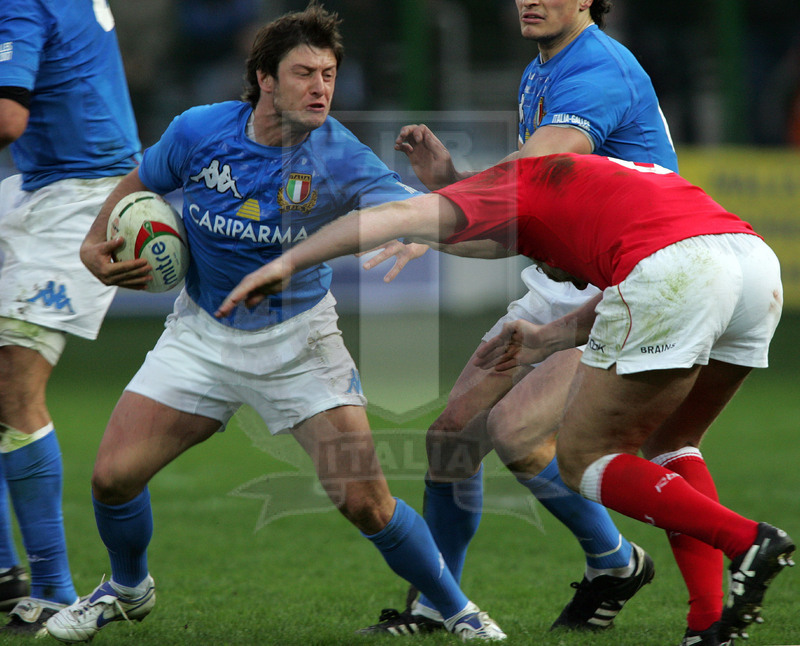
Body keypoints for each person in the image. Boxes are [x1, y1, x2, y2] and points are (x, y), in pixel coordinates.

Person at [43, 4, 505, 643]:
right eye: (304, 73)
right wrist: (96, 242)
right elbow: (141, 180)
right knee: (112, 478)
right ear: (264, 77)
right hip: (201, 334)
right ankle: (127, 587)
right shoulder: (198, 131)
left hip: (299, 346)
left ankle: (457, 609)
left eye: (330, 73)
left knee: (365, 503)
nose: (321, 88)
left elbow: (432, 216)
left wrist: (434, 210)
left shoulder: (338, 154)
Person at [215, 152, 796, 646]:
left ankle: (748, 540)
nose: (547, 269)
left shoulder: (516, 185)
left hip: (678, 270)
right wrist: (544, 339)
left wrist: (289, 261)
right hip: (750, 262)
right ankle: (708, 622)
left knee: (584, 457)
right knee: (674, 440)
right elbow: (645, 270)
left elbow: (394, 215)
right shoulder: (597, 181)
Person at [356, 0, 680, 636]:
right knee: (452, 439)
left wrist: (443, 208)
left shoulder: (598, 71)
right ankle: (437, 605)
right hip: (567, 284)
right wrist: (449, 193)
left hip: (630, 289)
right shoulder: (541, 71)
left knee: (518, 432)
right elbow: (522, 218)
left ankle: (622, 560)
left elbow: (530, 173)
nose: (528, 0)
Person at [0, 0, 141, 635]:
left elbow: (7, 117)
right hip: (35, 184)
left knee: (12, 387)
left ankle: (55, 589)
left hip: (82, 195)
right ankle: (4, 576)